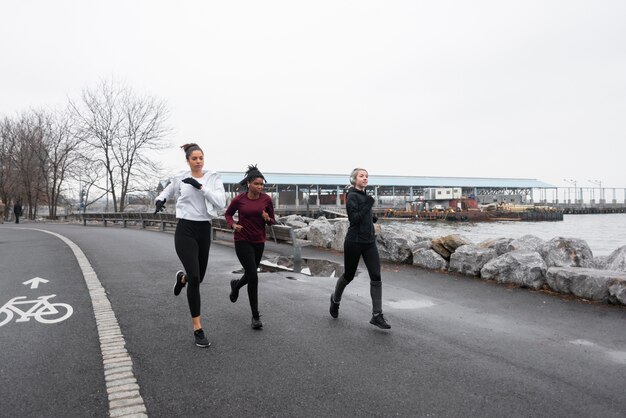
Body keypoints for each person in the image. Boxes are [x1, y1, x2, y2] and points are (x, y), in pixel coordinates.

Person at [155, 143, 226, 347]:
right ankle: (198, 328)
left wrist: (201, 188)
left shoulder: (213, 177)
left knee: (198, 277)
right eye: (194, 158)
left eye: (200, 157)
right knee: (196, 278)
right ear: (188, 161)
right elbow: (167, 191)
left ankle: (182, 278)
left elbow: (221, 202)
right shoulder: (180, 177)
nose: (198, 161)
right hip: (185, 229)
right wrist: (159, 200)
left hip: (204, 229)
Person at [329, 168, 391, 329]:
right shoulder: (351, 196)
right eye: (361, 176)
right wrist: (368, 205)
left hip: (369, 242)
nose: (365, 178)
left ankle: (377, 315)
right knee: (348, 276)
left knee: (376, 276)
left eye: (367, 176)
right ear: (353, 179)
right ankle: (335, 300)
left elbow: (363, 216)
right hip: (354, 242)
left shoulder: (364, 195)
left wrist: (371, 218)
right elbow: (354, 219)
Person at [225, 165, 276, 330]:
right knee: (253, 276)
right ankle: (255, 316)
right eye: (256, 184)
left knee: (250, 273)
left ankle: (236, 286)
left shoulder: (266, 199)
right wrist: (233, 225)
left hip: (259, 241)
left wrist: (267, 218)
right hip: (242, 240)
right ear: (248, 183)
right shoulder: (239, 199)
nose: (260, 187)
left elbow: (272, 221)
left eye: (262, 184)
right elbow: (228, 214)